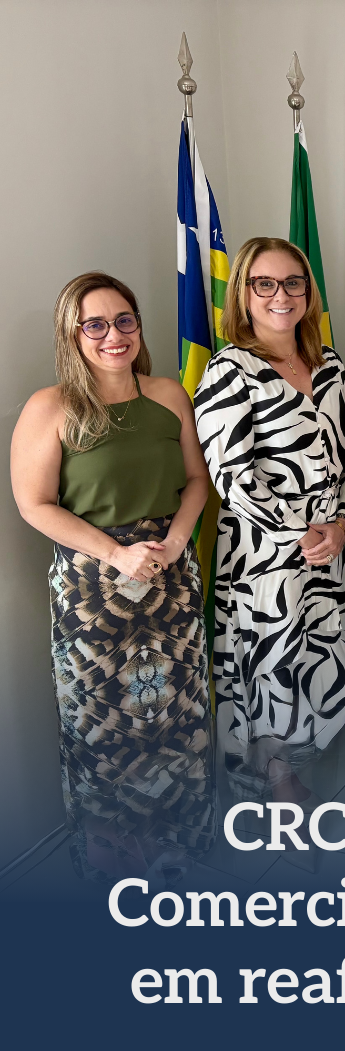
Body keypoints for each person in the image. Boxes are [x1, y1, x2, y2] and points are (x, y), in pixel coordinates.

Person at [11, 271, 214, 881]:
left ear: (138, 326)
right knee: (102, 731)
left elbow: (197, 480)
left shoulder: (169, 395)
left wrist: (176, 541)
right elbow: (33, 504)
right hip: (93, 592)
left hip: (172, 581)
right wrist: (116, 554)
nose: (112, 335)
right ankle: (116, 870)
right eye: (94, 325)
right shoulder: (50, 408)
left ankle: (180, 854)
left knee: (179, 719)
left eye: (124, 320)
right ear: (72, 334)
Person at [194, 237, 345, 806]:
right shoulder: (229, 370)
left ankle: (297, 766)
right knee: (273, 665)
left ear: (308, 291)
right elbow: (232, 476)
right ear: (243, 293)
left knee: (323, 658)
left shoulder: (331, 366)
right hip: (264, 556)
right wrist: (299, 533)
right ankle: (277, 781)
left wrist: (340, 525)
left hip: (328, 550)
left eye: (293, 282)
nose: (280, 295)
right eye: (264, 283)